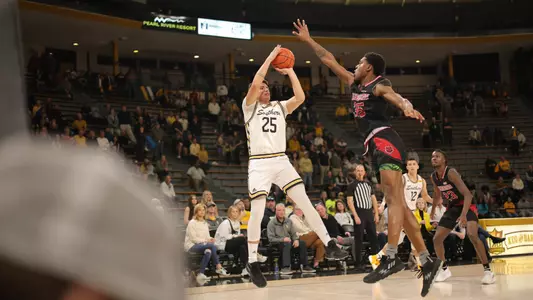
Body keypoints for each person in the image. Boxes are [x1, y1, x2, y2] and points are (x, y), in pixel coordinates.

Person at [293, 19, 440, 296]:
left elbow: (397, 97)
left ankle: (391, 257)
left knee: (394, 200)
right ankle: (426, 261)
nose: (355, 66)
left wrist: (408, 107)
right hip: (374, 144)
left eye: (359, 63)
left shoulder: (378, 85)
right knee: (403, 209)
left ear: (369, 67)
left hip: (386, 139)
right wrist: (309, 41)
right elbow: (328, 60)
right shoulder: (354, 84)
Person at [242, 45, 347, 288]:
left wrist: (289, 71)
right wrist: (269, 58)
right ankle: (252, 262)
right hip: (258, 163)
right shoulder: (249, 108)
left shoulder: (280, 107)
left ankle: (329, 244)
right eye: (261, 88)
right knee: (257, 211)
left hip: (280, 160)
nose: (265, 89)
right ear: (255, 92)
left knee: (305, 202)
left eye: (268, 87)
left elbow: (300, 97)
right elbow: (257, 80)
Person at [429, 150, 495, 285]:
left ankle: (488, 271)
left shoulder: (451, 173)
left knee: (472, 235)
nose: (434, 158)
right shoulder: (433, 176)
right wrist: (433, 210)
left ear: (444, 160)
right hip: (453, 207)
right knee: (437, 239)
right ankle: (444, 270)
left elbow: (468, 195)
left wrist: (464, 215)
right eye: (432, 157)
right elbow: (437, 194)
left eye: (437, 156)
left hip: (467, 205)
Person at [372, 158, 433, 269]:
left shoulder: (421, 180)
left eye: (414, 164)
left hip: (412, 213)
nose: (412, 166)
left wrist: (435, 201)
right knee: (414, 240)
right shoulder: (403, 178)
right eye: (409, 164)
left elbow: (424, 196)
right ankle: (422, 265)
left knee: (400, 241)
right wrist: (382, 205)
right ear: (407, 167)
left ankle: (377, 258)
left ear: (418, 166)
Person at [345, 164, 380, 270]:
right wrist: (355, 215)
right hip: (359, 213)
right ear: (355, 172)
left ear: (364, 172)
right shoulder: (352, 185)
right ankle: (358, 263)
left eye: (361, 170)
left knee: (373, 237)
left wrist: (376, 214)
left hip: (369, 212)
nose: (360, 172)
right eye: (358, 170)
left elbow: (373, 199)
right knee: (358, 239)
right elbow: (350, 202)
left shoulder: (368, 184)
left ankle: (375, 263)